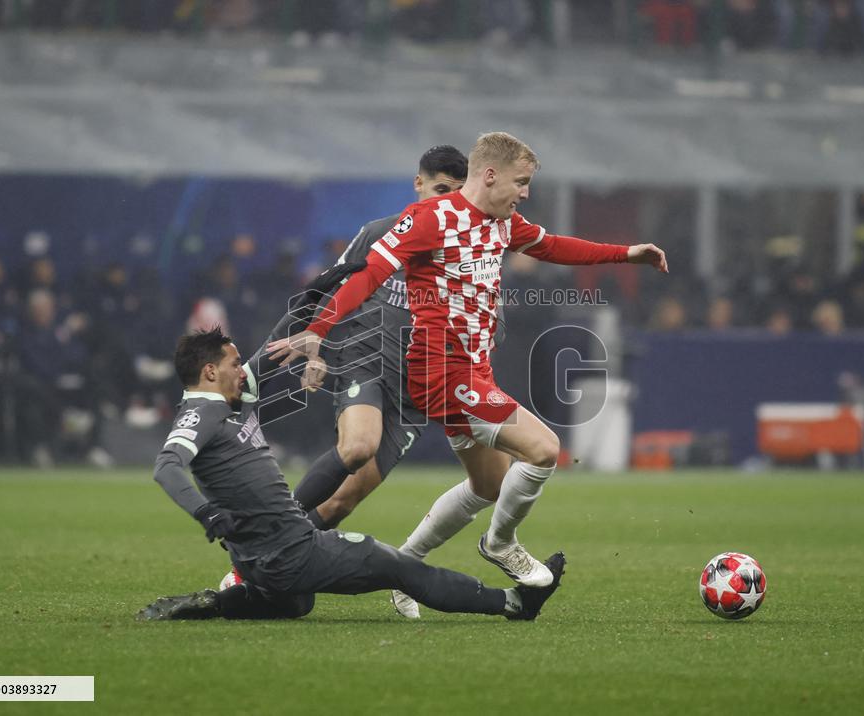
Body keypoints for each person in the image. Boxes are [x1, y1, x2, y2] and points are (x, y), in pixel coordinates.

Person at [268, 131, 666, 618]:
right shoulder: (430, 219)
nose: (526, 193)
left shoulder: (503, 224)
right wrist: (318, 329)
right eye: (521, 182)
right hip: (441, 371)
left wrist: (626, 254)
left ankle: (406, 571)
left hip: (474, 371)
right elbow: (368, 274)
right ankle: (500, 544)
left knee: (489, 485)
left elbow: (554, 246)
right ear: (491, 175)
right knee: (544, 449)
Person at [137, 327, 565, 622]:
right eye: (233, 364)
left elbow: (270, 352)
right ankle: (514, 603)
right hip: (291, 551)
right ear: (210, 372)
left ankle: (223, 602)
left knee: (296, 604)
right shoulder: (202, 412)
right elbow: (166, 466)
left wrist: (316, 312)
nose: (241, 370)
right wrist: (206, 513)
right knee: (398, 566)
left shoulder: (234, 399)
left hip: (259, 561)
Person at [290, 145, 471, 530]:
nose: (449, 202)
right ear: (418, 184)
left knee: (340, 503)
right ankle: (269, 528)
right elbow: (328, 287)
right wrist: (312, 348)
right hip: (367, 362)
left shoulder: (472, 250)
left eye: (458, 193)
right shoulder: (380, 233)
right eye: (441, 190)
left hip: (416, 394)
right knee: (358, 447)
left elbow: (495, 324)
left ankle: (273, 558)